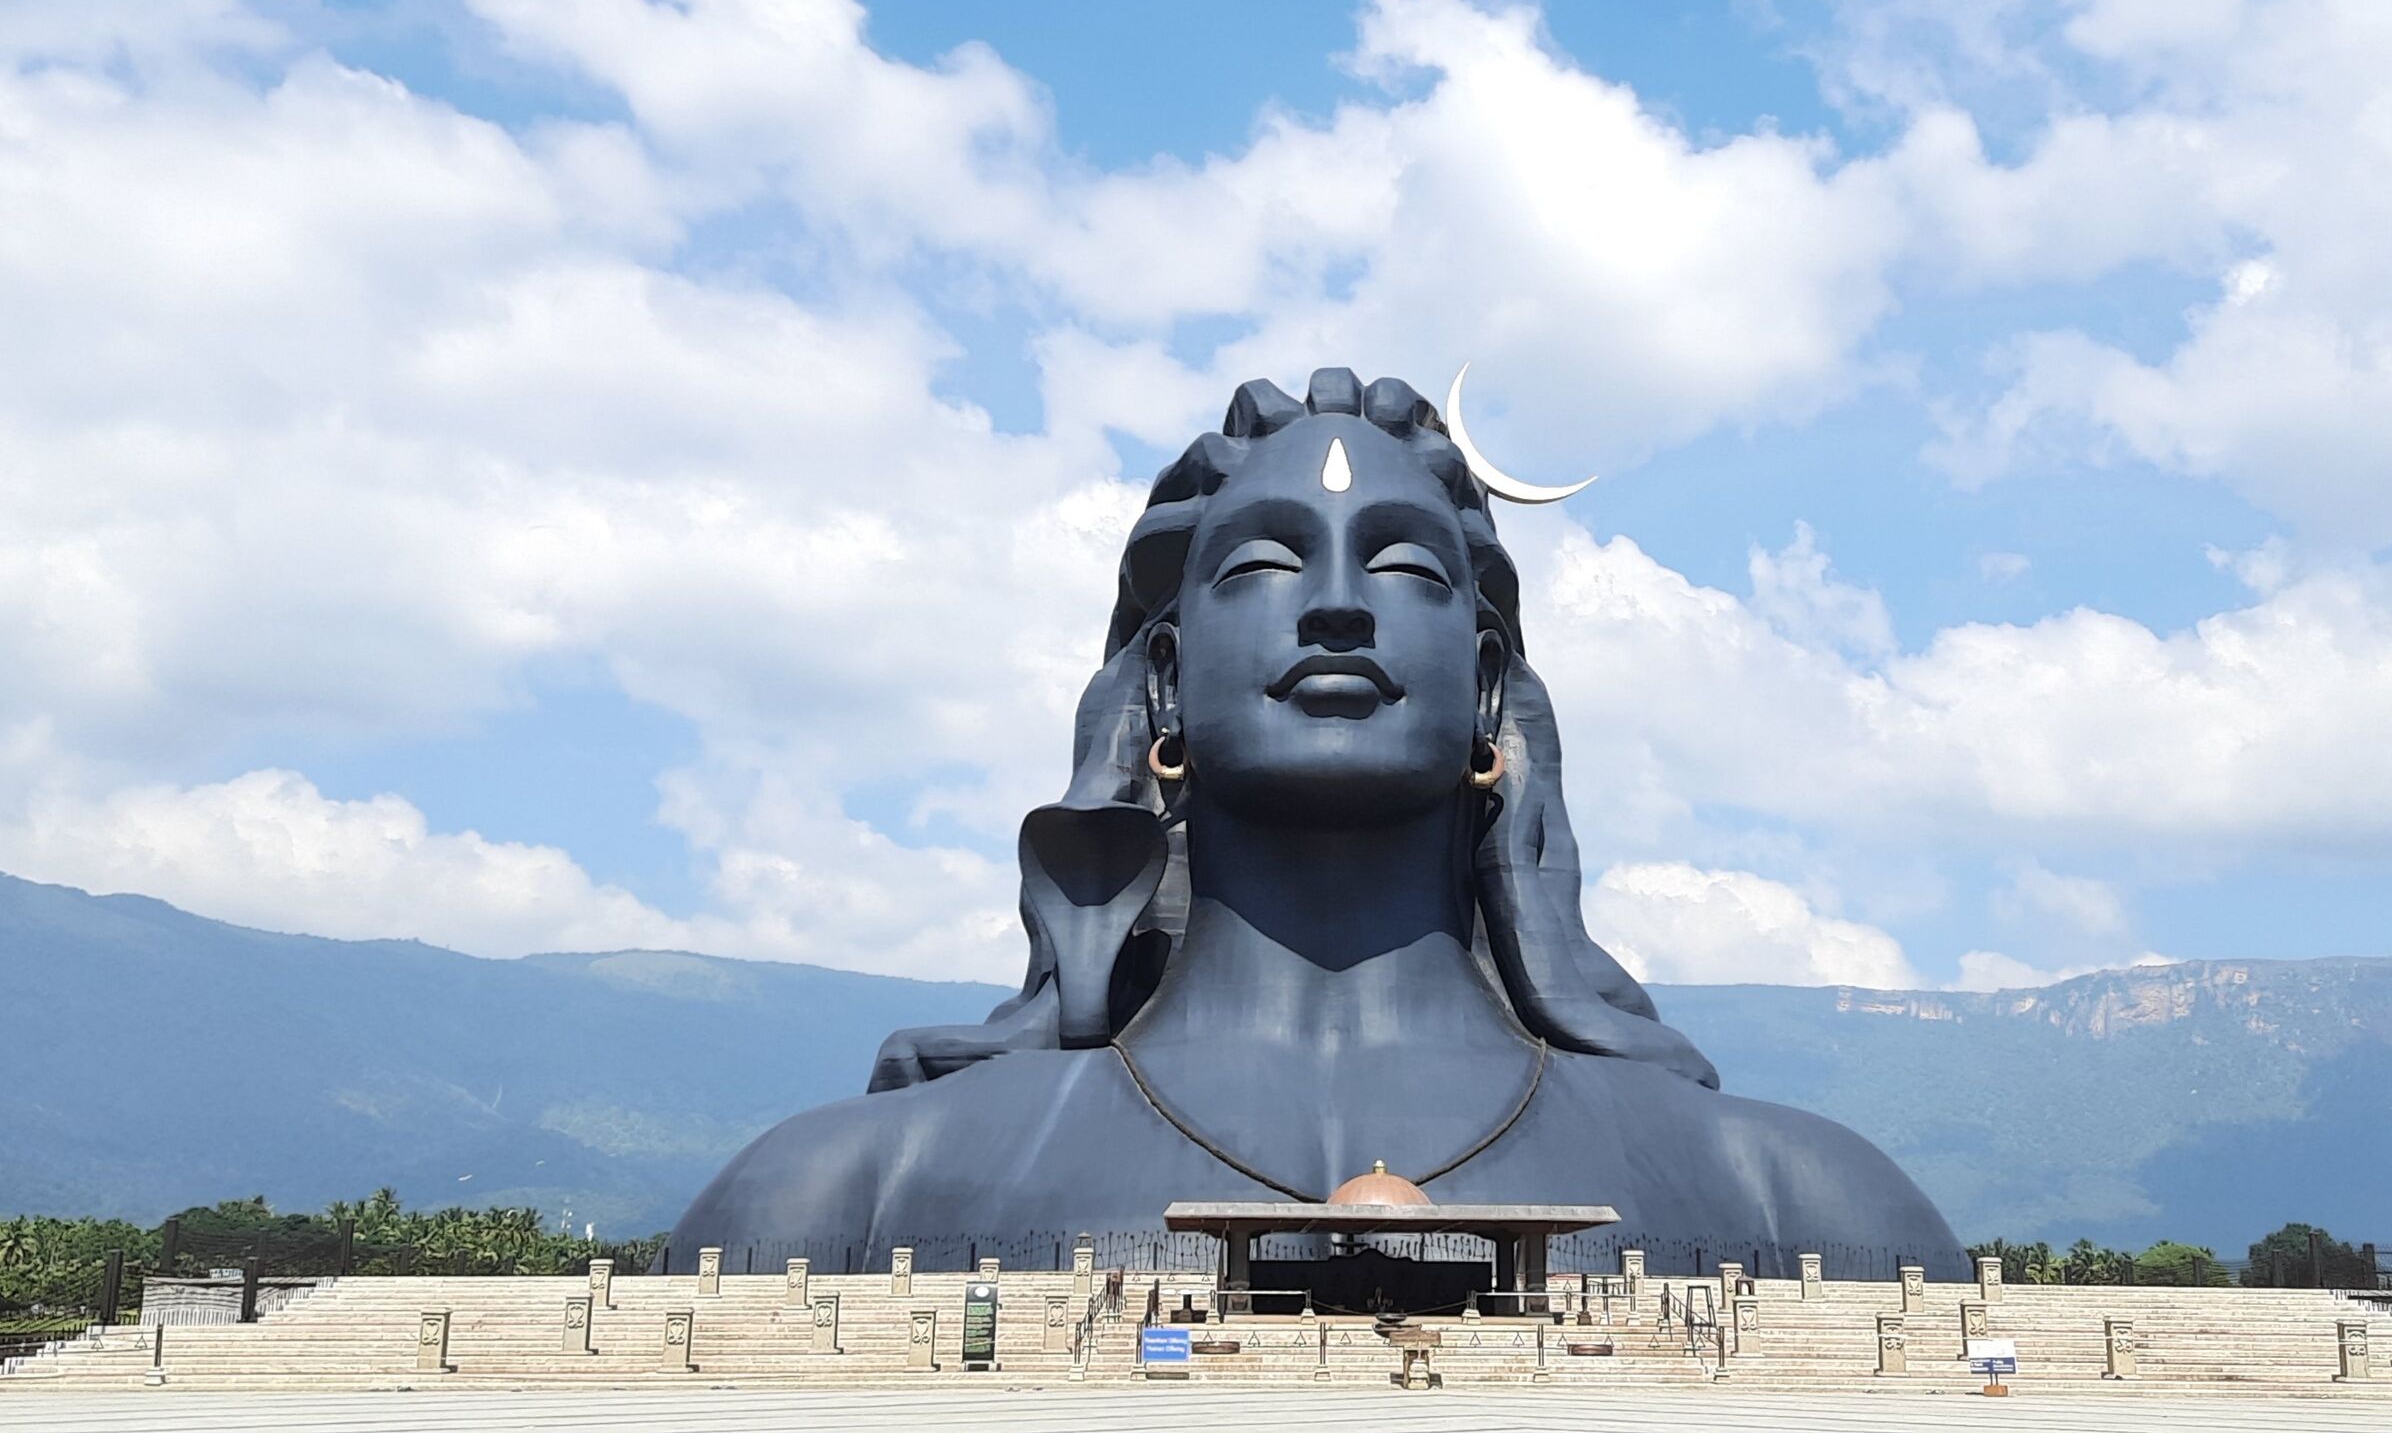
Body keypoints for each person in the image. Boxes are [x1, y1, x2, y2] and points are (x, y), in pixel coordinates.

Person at [670, 370, 1959, 1281]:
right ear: (1163, 684)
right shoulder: (840, 1199)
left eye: (1403, 566)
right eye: (1262, 565)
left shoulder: (1799, 1203)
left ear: (1489, 693)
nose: (1337, 607)